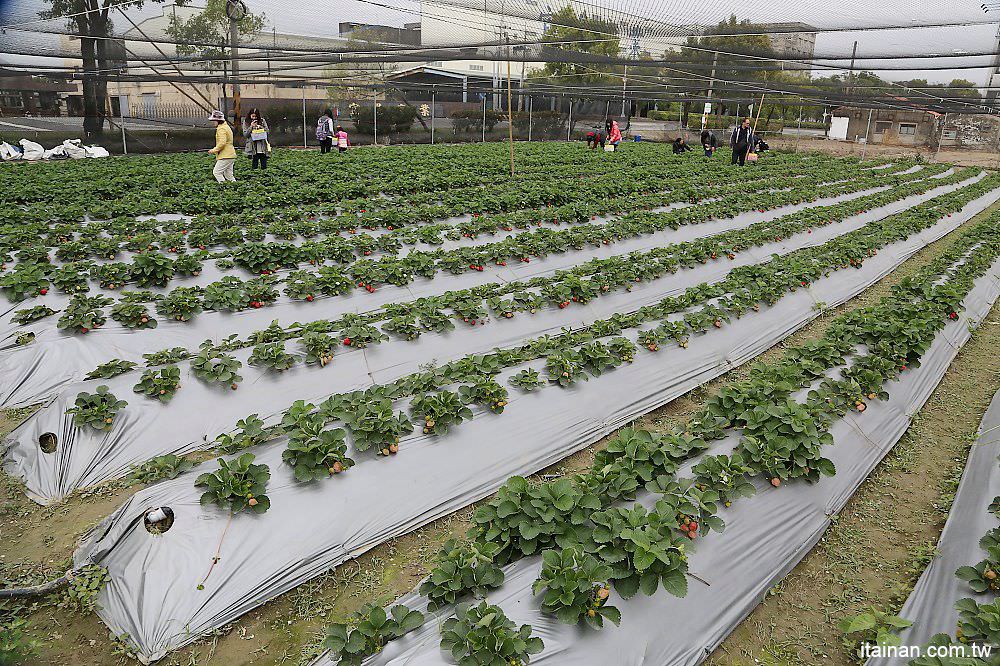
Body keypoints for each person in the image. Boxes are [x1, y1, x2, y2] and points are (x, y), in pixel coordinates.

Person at [207, 109, 236, 183]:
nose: (213, 122)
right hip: (231, 154)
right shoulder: (226, 127)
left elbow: (222, 143)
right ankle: (234, 187)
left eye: (214, 121)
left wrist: (214, 150)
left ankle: (224, 187)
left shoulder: (221, 129)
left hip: (225, 155)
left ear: (218, 121)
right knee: (229, 175)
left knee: (216, 172)